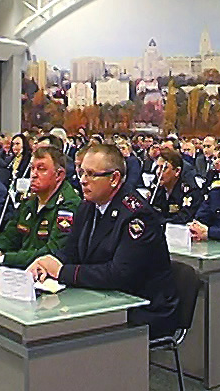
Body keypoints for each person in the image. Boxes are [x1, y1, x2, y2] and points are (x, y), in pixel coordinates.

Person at [27, 144, 179, 339]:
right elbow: (72, 252)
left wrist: (62, 271)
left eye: (91, 174)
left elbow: (119, 274)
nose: (83, 180)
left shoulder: (137, 216)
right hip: (105, 299)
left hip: (144, 308)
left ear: (114, 179)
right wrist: (48, 262)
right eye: (82, 172)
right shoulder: (88, 206)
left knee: (64, 332)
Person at [0, 145, 80, 269]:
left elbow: (52, 252)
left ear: (59, 175)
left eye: (41, 169)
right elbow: (9, 237)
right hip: (19, 271)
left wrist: (3, 258)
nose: (34, 174)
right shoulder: (29, 201)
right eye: (32, 168)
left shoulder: (68, 205)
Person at [151, 148, 203, 224]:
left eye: (164, 168)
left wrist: (158, 221)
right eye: (158, 167)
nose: (158, 172)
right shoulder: (156, 188)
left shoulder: (189, 190)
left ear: (177, 171)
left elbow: (183, 217)